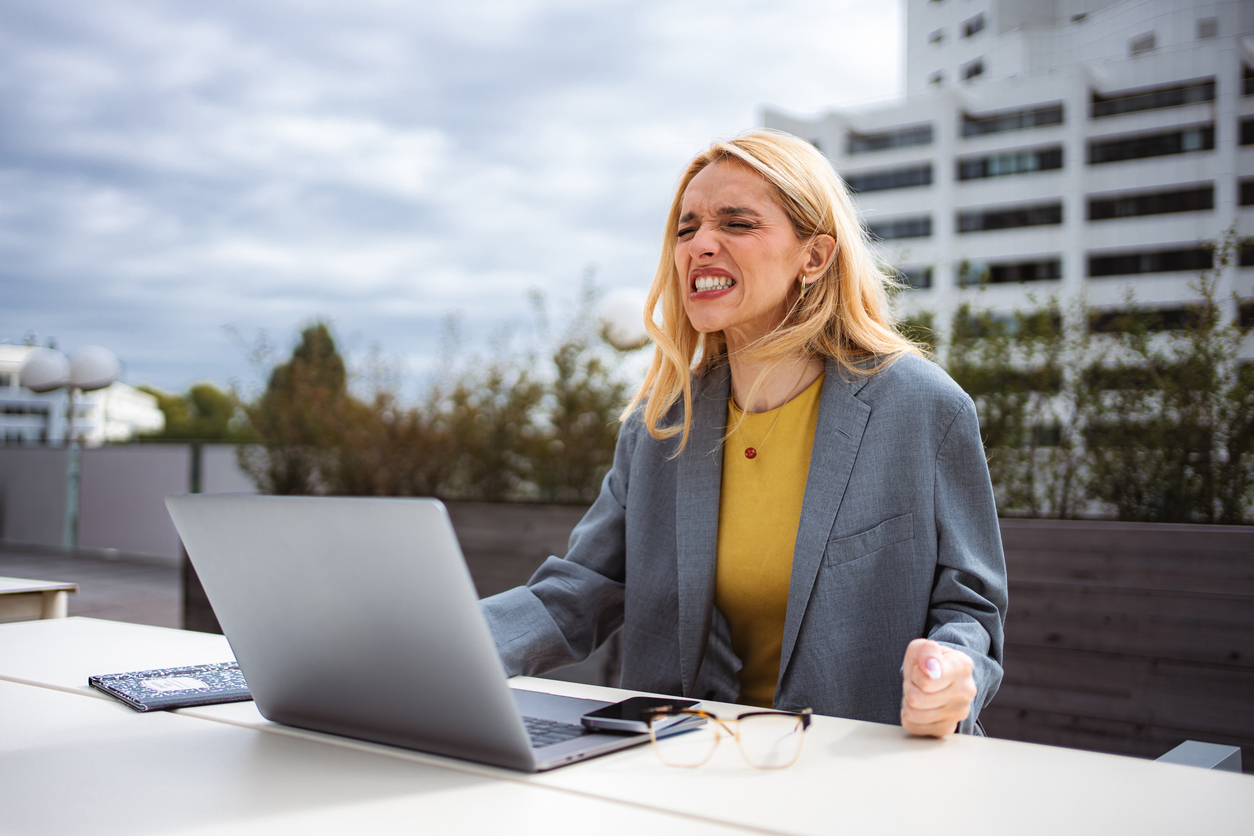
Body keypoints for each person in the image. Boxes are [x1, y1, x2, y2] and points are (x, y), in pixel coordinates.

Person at [481, 129, 1007, 736]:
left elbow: (971, 610)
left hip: (865, 777)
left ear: (814, 257)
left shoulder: (923, 407)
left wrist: (949, 673)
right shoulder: (660, 424)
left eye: (736, 223)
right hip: (680, 767)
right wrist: (439, 646)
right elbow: (575, 595)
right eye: (687, 228)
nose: (700, 244)